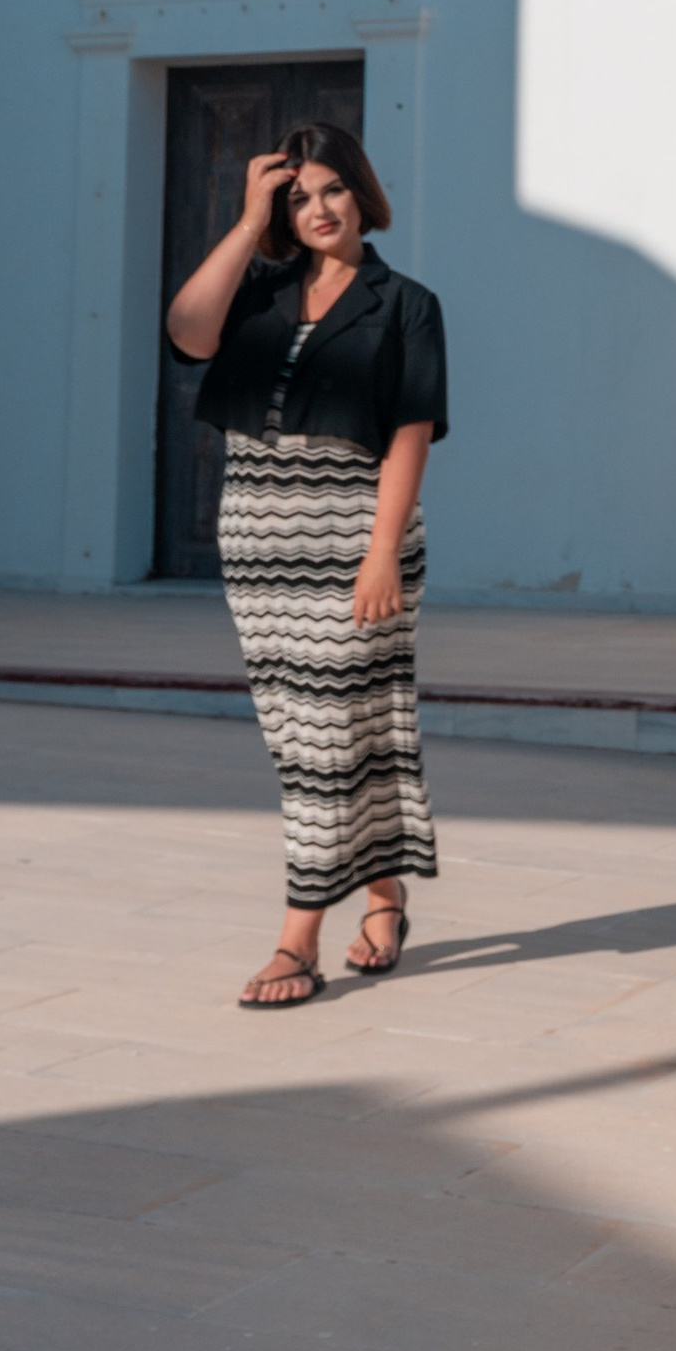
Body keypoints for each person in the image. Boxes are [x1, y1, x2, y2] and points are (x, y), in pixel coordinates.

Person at [165, 122, 447, 1006]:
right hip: (257, 536)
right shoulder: (260, 289)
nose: (317, 208)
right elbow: (186, 333)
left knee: (328, 736)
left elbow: (409, 435)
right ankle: (385, 894)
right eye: (298, 196)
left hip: (354, 530)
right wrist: (249, 220)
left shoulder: (406, 302)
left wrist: (380, 557)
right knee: (308, 739)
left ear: (361, 192)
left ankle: (296, 941)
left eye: (331, 189)